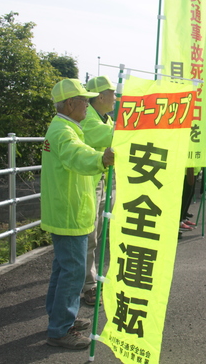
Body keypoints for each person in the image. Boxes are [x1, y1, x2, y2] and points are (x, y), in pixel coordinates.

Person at [41, 78, 114, 350]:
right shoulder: (64, 132)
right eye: (84, 99)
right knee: (72, 272)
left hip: (67, 210)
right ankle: (60, 329)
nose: (88, 104)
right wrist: (100, 159)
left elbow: (77, 152)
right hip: (70, 212)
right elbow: (76, 155)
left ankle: (58, 319)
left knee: (63, 270)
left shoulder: (64, 127)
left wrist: (96, 158)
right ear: (70, 103)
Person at [80, 75, 116, 306]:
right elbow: (112, 139)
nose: (116, 97)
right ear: (100, 96)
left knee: (98, 235)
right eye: (112, 93)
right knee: (90, 237)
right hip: (88, 184)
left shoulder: (105, 118)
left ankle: (88, 281)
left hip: (101, 182)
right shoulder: (89, 119)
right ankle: (88, 286)